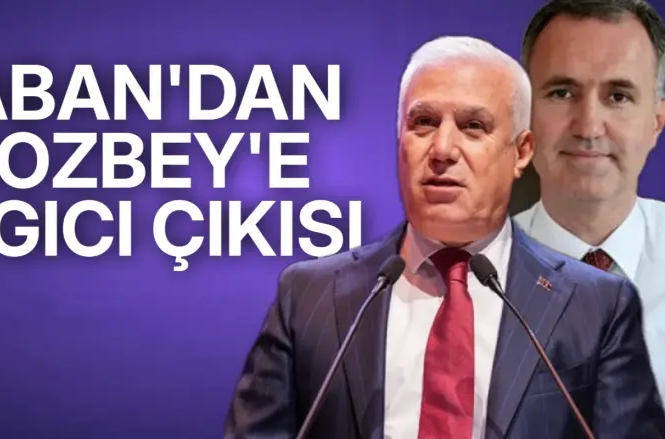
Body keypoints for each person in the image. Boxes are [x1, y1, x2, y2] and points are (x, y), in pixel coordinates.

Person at [224, 36, 665, 439]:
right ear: (399, 138)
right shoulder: (310, 296)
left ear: (521, 152)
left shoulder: (596, 306)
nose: (442, 150)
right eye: (424, 122)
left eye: (473, 126)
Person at [512, 0, 665, 396]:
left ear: (656, 123)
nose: (589, 127)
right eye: (562, 93)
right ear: (524, 117)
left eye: (618, 96)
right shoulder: (470, 274)